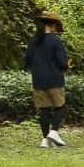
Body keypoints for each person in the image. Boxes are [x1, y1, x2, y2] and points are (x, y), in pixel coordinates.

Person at [24, 10, 69, 148]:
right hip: (55, 78)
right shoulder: (56, 41)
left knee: (44, 110)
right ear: (53, 25)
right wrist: (66, 66)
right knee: (60, 107)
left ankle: (45, 139)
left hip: (38, 79)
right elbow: (62, 62)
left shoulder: (33, 41)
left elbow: (27, 61)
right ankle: (54, 131)